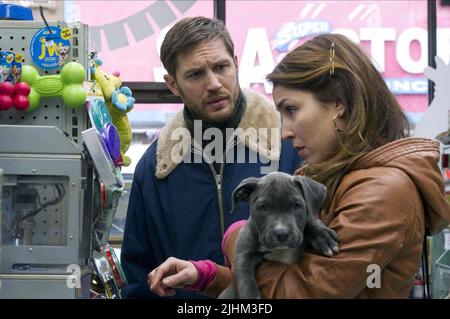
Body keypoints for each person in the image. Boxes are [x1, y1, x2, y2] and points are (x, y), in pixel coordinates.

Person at [149, 33, 450, 298]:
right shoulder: (334, 178)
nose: (284, 131)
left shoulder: (382, 192)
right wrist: (206, 276)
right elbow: (288, 281)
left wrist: (238, 236)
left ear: (338, 102)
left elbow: (302, 293)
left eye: (291, 109)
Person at [120, 16, 302, 299]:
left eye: (221, 67)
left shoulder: (291, 145)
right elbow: (138, 276)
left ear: (237, 64)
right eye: (195, 75)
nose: (214, 83)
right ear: (172, 84)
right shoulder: (157, 166)